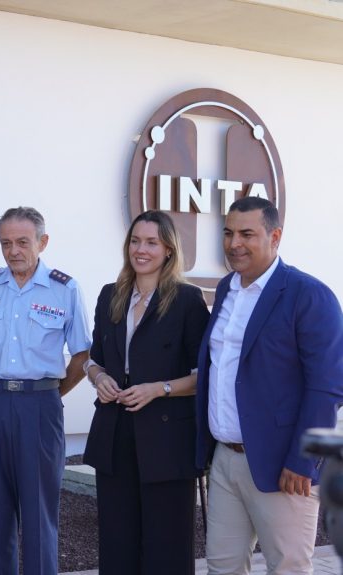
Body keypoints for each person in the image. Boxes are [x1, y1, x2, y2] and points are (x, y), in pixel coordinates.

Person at [195, 196, 343, 574]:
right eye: (228, 233)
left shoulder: (308, 295)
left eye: (247, 233)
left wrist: (302, 460)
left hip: (283, 466)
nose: (234, 243)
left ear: (275, 236)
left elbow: (326, 387)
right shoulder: (227, 288)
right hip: (225, 460)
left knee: (287, 567)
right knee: (222, 566)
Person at [0, 206, 90, 575]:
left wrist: (48, 391)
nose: (13, 250)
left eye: (22, 242)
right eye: (6, 243)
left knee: (38, 512)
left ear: (42, 242)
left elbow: (82, 354)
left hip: (41, 406)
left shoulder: (65, 289)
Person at [82, 210, 209, 574]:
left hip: (167, 440)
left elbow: (204, 377)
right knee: (117, 544)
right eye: (136, 241)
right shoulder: (111, 296)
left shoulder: (187, 300)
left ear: (169, 249)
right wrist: (98, 378)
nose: (141, 249)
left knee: (166, 547)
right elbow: (93, 359)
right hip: (114, 434)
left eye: (151, 242)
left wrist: (160, 389)